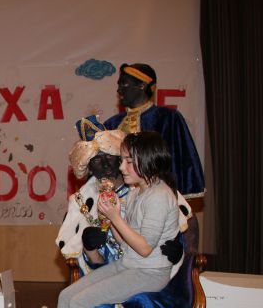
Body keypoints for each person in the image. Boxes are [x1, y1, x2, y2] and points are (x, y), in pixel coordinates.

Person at [20, 131, 181, 308]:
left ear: (148, 161)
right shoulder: (138, 191)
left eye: (128, 161)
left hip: (149, 272)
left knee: (82, 304)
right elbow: (124, 240)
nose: (121, 166)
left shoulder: (159, 196)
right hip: (129, 264)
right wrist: (112, 216)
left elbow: (144, 248)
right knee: (67, 296)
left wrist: (116, 216)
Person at [55, 116, 190, 277]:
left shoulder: (148, 186)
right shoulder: (81, 202)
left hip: (149, 272)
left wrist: (178, 246)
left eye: (110, 157)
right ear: (89, 167)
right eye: (97, 160)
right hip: (110, 275)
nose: (105, 165)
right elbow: (81, 259)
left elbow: (176, 226)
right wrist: (89, 250)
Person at [104, 63, 205, 199]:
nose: (119, 89)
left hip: (157, 197)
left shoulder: (167, 118)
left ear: (142, 85)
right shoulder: (112, 123)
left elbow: (181, 161)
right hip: (119, 200)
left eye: (124, 84)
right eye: (119, 85)